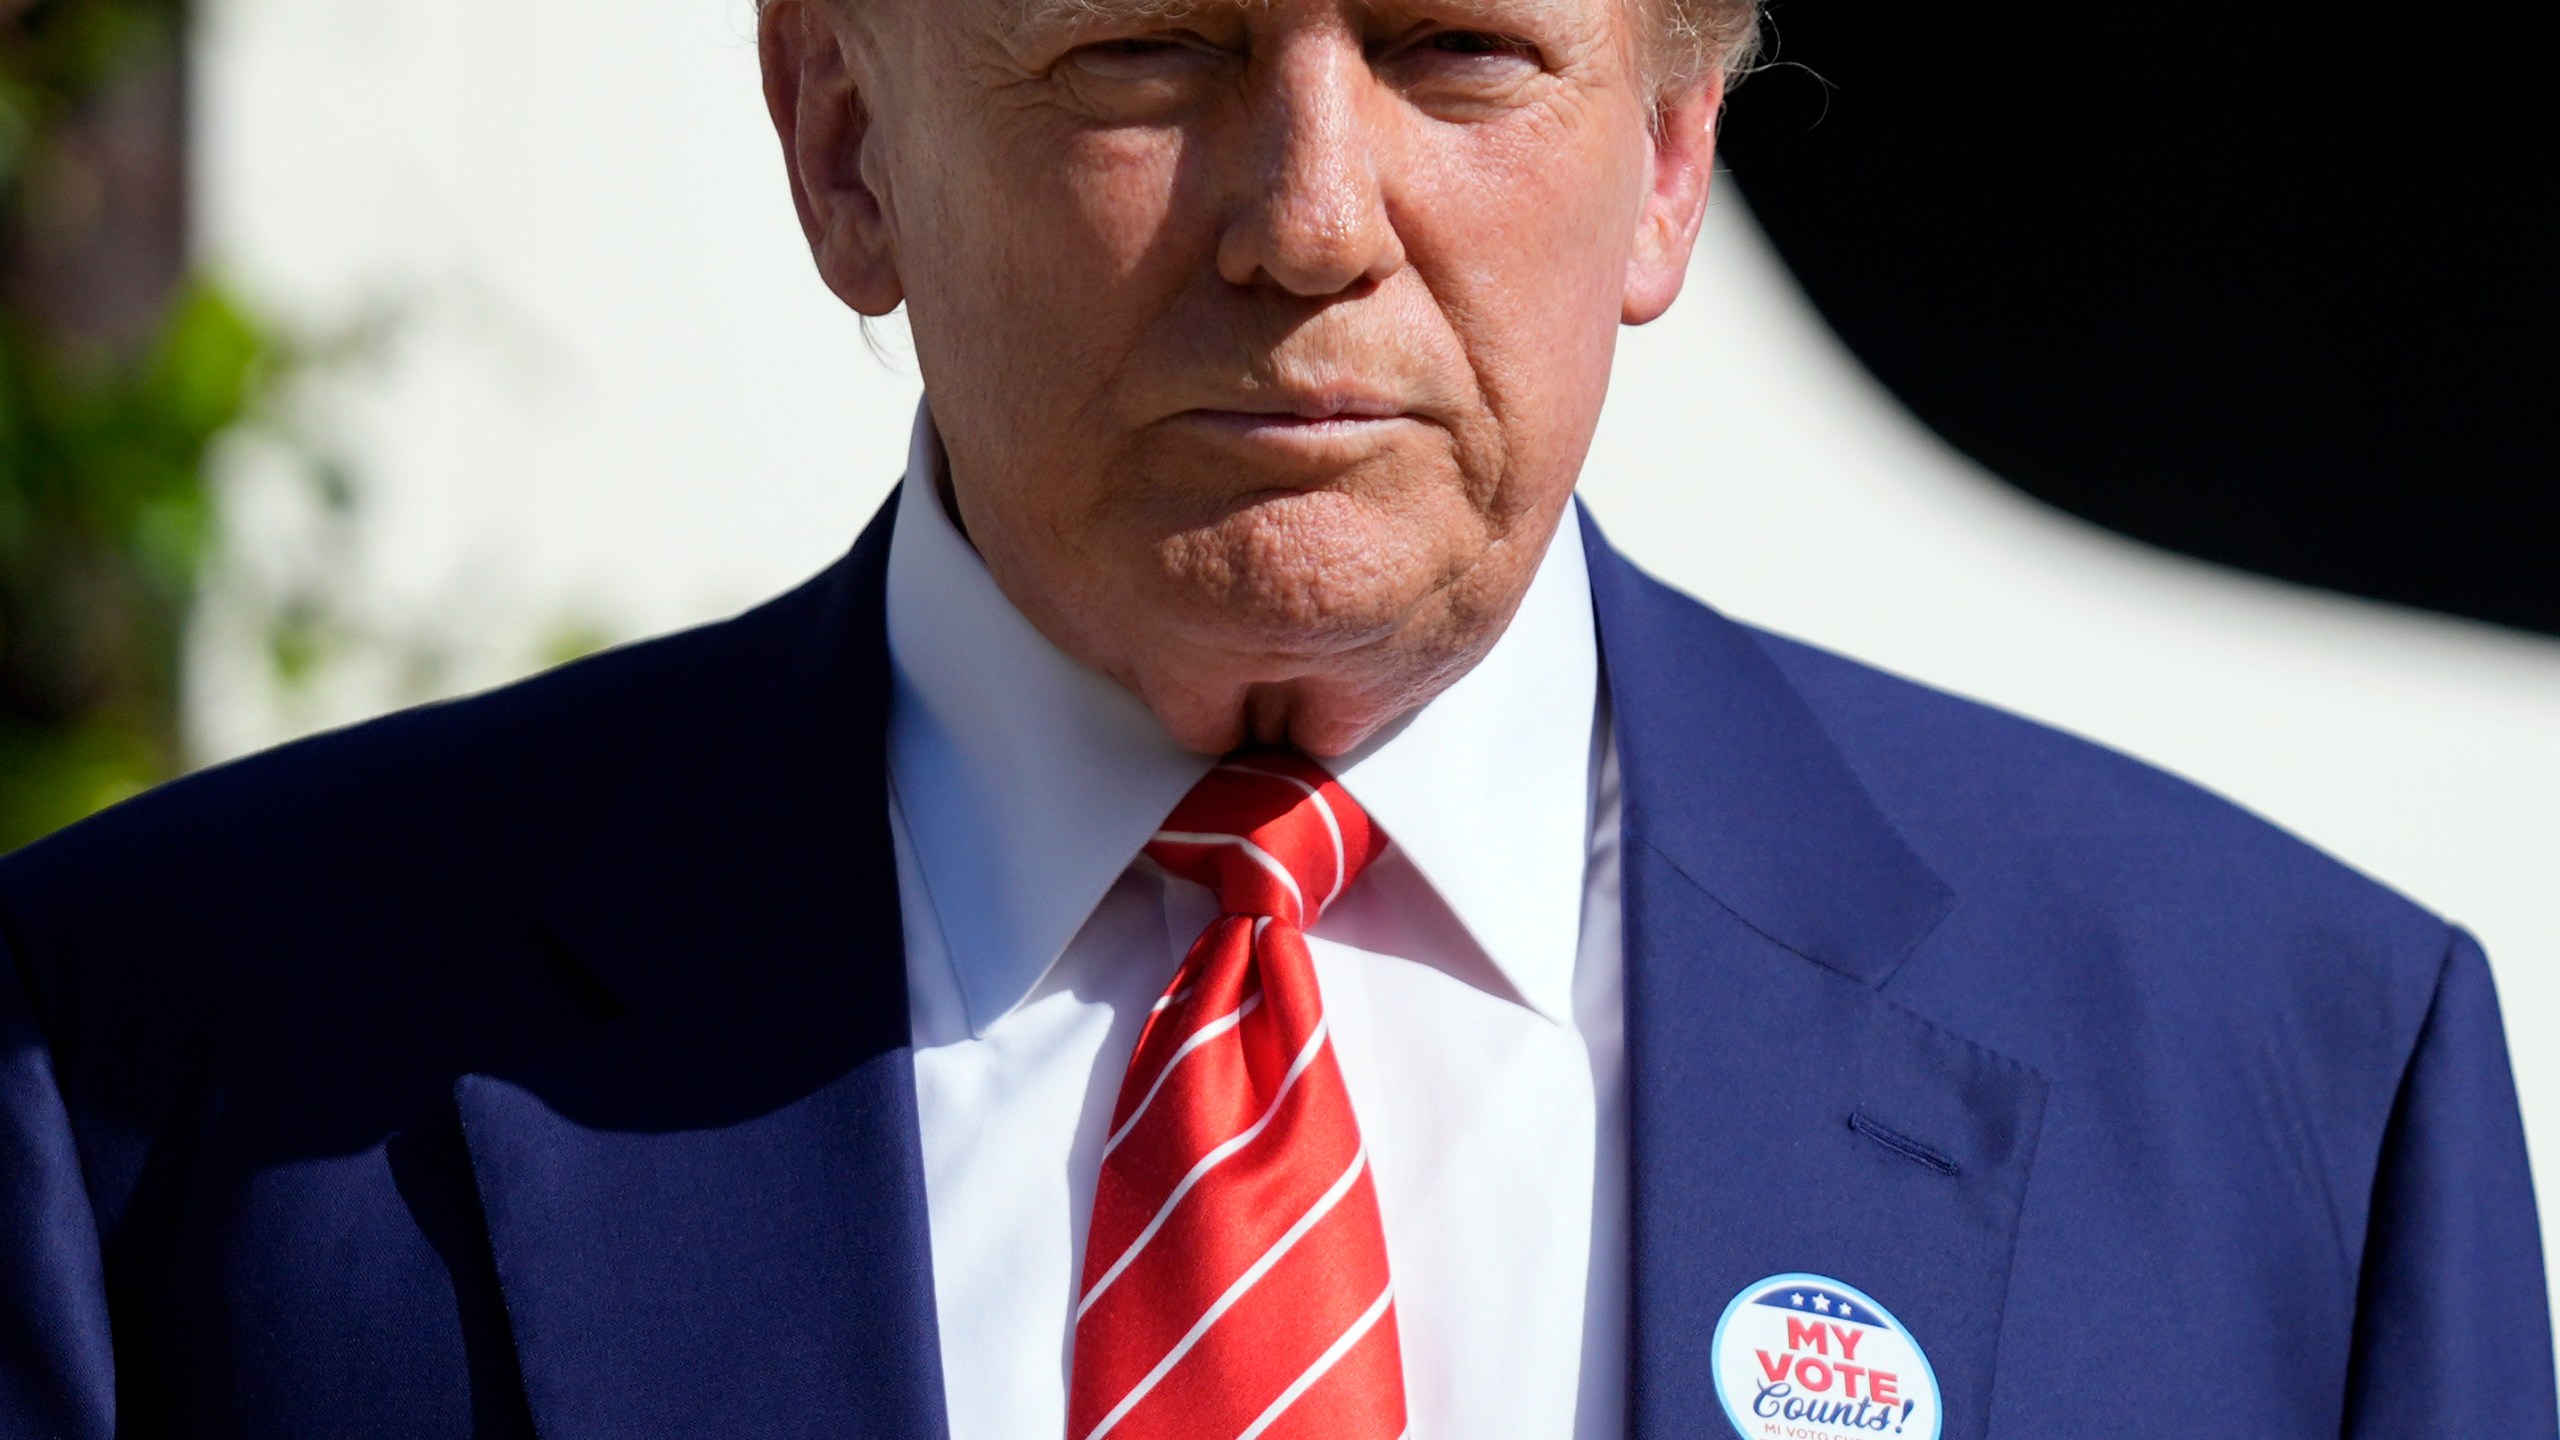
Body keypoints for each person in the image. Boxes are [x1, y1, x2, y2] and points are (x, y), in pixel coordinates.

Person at [0, 0, 2547, 1433]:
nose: (1307, 212)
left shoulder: (2281, 1105)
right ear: (841, 138)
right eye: (1146, 53)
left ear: (1667, 155)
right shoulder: (165, 1082)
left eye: (1454, 54)